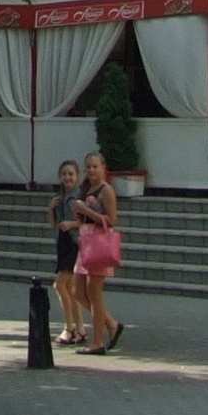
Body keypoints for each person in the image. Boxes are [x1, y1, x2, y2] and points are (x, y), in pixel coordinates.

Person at [74, 150, 124, 355]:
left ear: (103, 168)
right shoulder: (87, 188)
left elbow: (111, 220)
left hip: (99, 242)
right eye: (89, 167)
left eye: (96, 166)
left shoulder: (106, 190)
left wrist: (88, 212)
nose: (92, 170)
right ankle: (111, 324)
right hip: (85, 241)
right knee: (78, 291)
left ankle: (97, 341)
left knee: (94, 292)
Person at [46, 159, 87, 347]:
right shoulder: (60, 197)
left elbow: (86, 222)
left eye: (71, 174)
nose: (67, 177)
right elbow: (54, 225)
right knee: (71, 289)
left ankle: (69, 328)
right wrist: (51, 209)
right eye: (64, 174)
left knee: (59, 285)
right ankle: (80, 329)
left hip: (74, 244)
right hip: (62, 243)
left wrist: (72, 224)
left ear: (77, 176)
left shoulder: (79, 197)